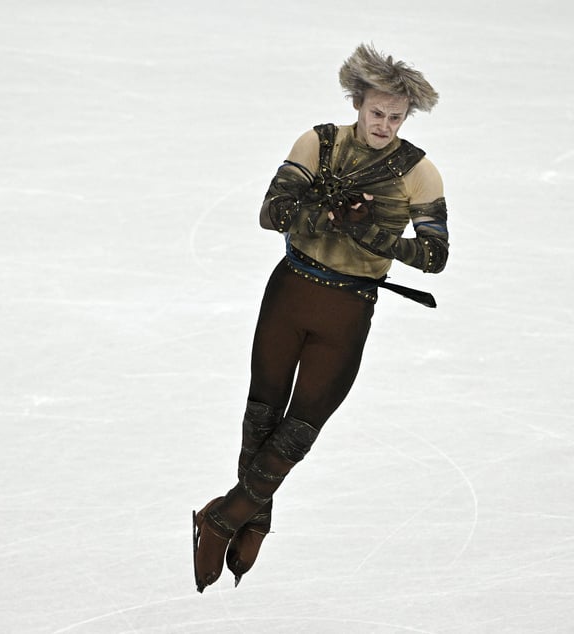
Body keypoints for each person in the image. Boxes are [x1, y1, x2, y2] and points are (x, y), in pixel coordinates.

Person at [192, 43, 450, 592]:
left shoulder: (420, 172)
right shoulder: (320, 141)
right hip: (289, 293)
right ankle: (253, 519)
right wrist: (328, 209)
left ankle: (222, 518)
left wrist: (370, 232)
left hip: (350, 308)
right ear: (358, 103)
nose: (384, 124)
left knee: (299, 431)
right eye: (376, 112)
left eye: (396, 117)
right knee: (261, 416)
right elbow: (271, 213)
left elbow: (434, 257)